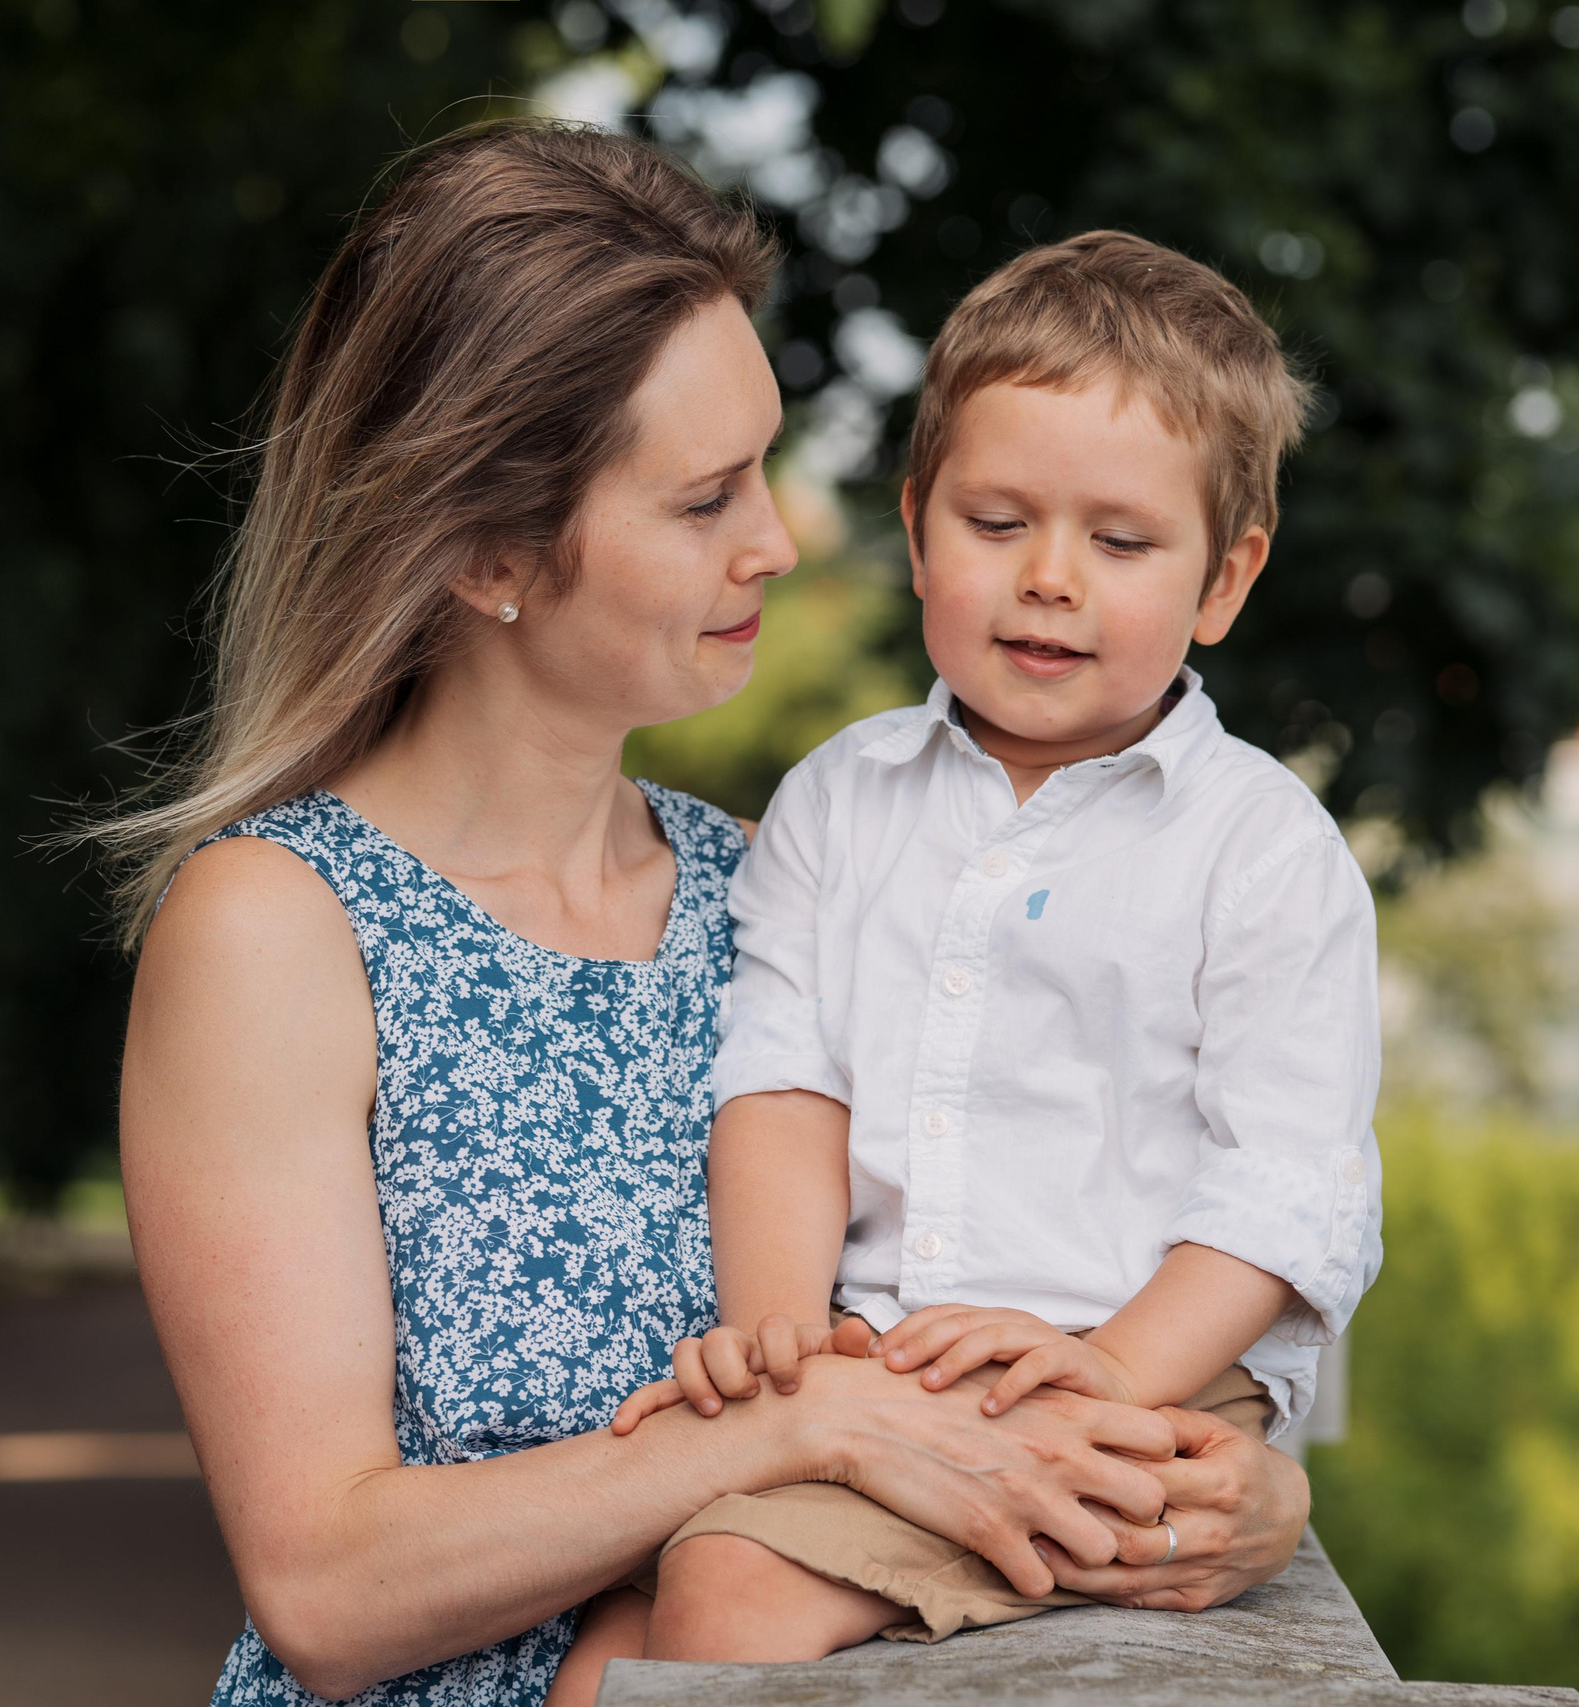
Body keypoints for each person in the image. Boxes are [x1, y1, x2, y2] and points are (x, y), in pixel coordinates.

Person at [106, 125, 1314, 1707]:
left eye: (767, 465)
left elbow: (1094, 1235)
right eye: (705, 499)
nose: (782, 541)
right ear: (491, 551)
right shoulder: (274, 931)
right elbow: (326, 1586)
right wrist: (797, 1427)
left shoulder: (777, 882)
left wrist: (1236, 1490)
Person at [586, 232, 1384, 1673]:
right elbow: (783, 1081)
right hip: (883, 1370)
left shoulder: (1263, 850)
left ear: (1225, 579)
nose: (1051, 581)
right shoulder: (840, 800)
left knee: (721, 1604)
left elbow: (1286, 1184)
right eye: (997, 523)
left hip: (1156, 1380)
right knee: (623, 1646)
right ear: (915, 530)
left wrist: (1115, 1371)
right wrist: (776, 1332)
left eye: (1123, 542)